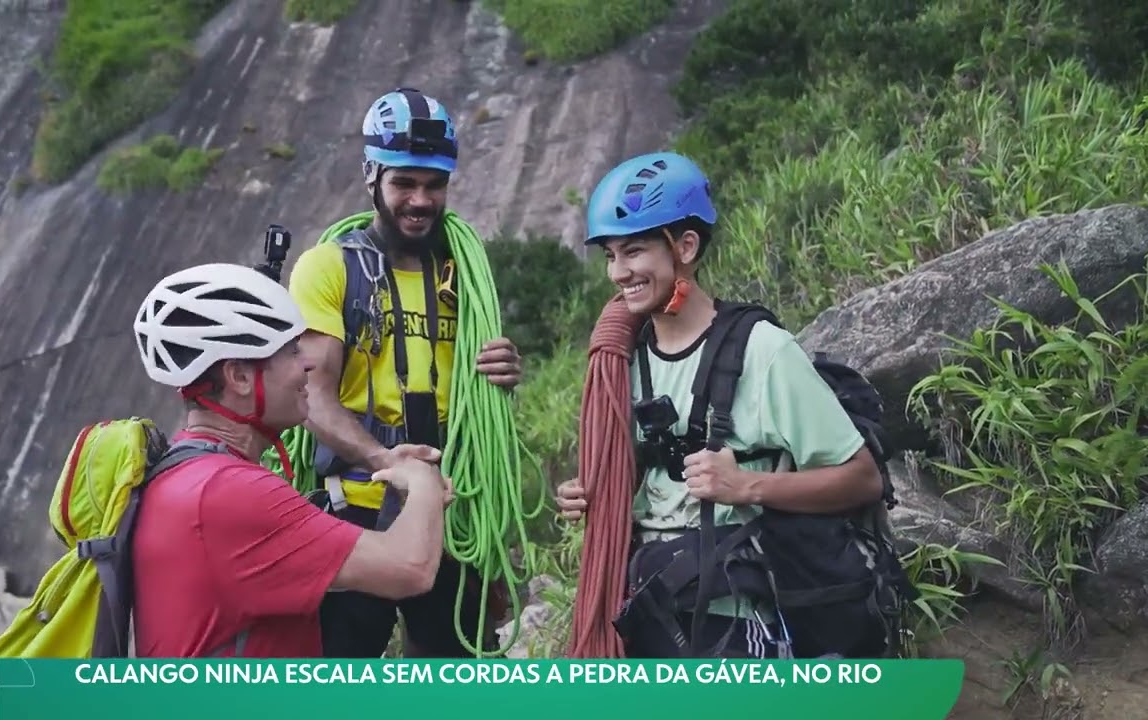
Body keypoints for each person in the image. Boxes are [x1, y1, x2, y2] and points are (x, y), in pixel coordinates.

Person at [554, 151, 885, 659]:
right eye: (610, 255)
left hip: (735, 621)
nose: (619, 272)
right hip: (640, 608)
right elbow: (639, 477)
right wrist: (592, 492)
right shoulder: (623, 359)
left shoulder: (763, 351)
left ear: (685, 246)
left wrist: (747, 485)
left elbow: (862, 478)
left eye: (634, 251)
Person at [286, 87, 522, 658]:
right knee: (342, 683)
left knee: (456, 682)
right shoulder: (328, 268)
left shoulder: (463, 273)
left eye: (434, 185)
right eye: (404, 183)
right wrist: (386, 460)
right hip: (354, 513)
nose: (421, 199)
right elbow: (313, 398)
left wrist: (501, 372)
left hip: (451, 509)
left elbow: (476, 396)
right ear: (372, 176)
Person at [129, 262, 452, 658]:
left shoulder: (182, 471)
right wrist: (422, 481)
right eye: (292, 351)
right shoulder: (232, 492)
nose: (307, 365)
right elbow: (410, 568)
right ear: (240, 377)